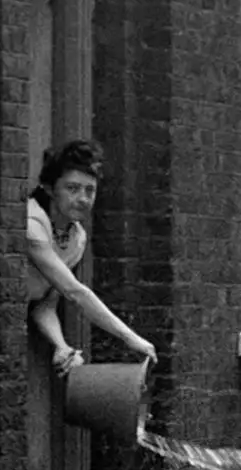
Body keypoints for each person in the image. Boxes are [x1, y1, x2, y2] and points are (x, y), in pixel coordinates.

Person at [25, 141, 156, 377]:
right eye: (72, 188)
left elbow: (44, 305)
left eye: (90, 190)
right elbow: (75, 293)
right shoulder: (32, 222)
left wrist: (61, 346)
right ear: (49, 187)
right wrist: (131, 338)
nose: (83, 199)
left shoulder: (76, 238)